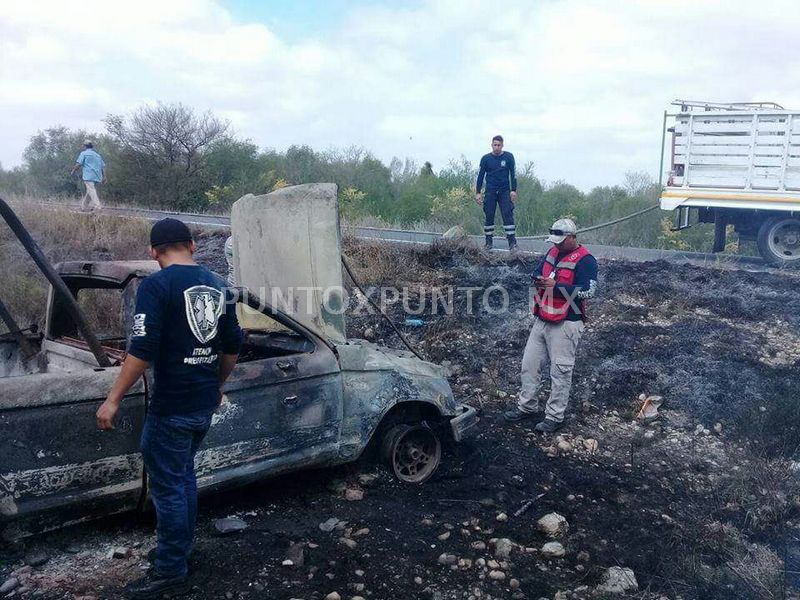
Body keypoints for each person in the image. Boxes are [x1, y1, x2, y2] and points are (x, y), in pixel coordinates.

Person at [96, 218, 243, 599]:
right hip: (200, 404)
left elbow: (141, 351)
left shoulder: (156, 286)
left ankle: (170, 570)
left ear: (153, 251)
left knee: (169, 488)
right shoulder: (219, 285)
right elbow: (232, 348)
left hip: (171, 406)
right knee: (182, 479)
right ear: (192, 245)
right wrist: (217, 386)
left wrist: (112, 400)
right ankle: (178, 552)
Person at [504, 218, 598, 433]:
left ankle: (554, 417)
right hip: (543, 318)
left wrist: (557, 287)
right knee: (529, 365)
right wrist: (537, 278)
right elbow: (537, 271)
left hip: (567, 323)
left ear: (572, 237)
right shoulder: (553, 253)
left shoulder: (586, 260)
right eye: (554, 241)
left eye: (560, 241)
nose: (556, 245)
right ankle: (527, 406)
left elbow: (589, 292)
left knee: (560, 371)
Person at [475, 135, 518, 251]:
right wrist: (478, 192)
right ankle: (488, 243)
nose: (497, 147)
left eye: (499, 145)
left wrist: (513, 190)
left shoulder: (509, 157)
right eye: (495, 145)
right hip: (490, 191)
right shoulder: (485, 159)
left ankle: (512, 243)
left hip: (504, 191)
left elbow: (513, 174)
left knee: (507, 215)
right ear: (491, 145)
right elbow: (480, 176)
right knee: (489, 215)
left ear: (502, 145)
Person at [70, 140, 106, 211]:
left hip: (89, 175)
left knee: (91, 190)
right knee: (89, 192)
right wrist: (104, 176)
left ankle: (97, 207)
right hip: (98, 176)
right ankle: (83, 207)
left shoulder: (84, 153)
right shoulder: (98, 155)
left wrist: (73, 171)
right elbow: (103, 166)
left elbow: (79, 164)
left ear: (85, 146)